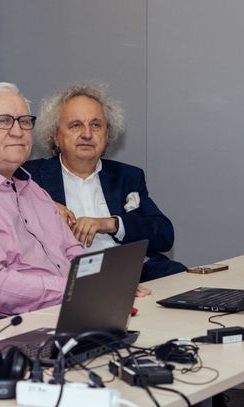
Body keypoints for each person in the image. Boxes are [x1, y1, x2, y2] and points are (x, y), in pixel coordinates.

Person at [0, 82, 106, 318]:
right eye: (3, 121)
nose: (18, 131)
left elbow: (71, 250)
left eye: (24, 121)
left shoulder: (32, 189)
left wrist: (106, 283)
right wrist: (77, 289)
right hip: (9, 328)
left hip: (71, 311)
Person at [23, 83, 186, 282]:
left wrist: (111, 223)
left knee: (177, 274)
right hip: (67, 277)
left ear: (107, 134)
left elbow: (164, 235)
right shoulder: (30, 177)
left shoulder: (127, 176)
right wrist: (44, 206)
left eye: (96, 125)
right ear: (55, 136)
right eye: (75, 125)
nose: (87, 134)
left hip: (128, 273)